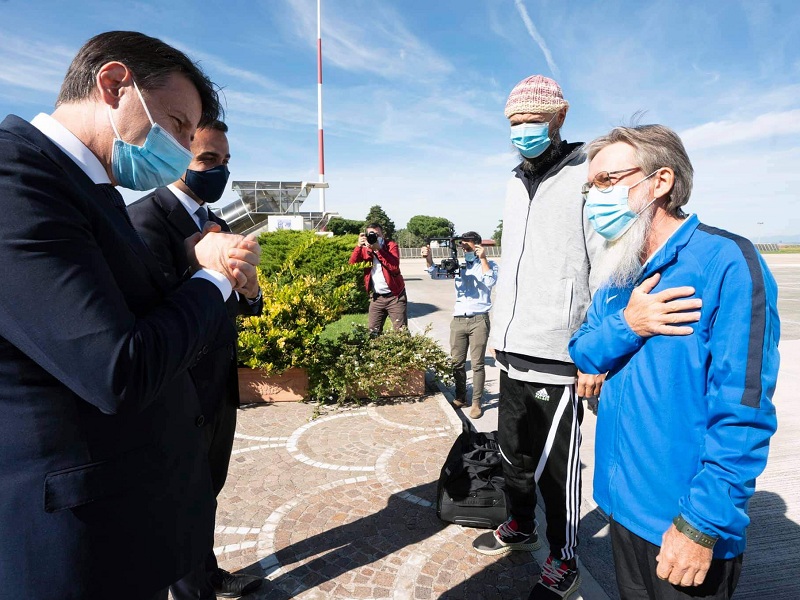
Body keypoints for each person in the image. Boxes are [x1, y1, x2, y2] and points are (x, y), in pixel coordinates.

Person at [0, 31, 261, 600]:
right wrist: (215, 275)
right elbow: (117, 368)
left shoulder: (92, 188)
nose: (178, 148)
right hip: (71, 538)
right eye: (174, 124)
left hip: (125, 514)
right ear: (115, 84)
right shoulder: (15, 176)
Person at [569, 124, 779, 599]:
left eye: (606, 181)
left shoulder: (725, 261)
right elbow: (582, 348)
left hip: (681, 524)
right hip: (620, 508)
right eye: (590, 186)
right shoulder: (618, 268)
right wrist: (630, 324)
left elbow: (743, 411)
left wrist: (700, 525)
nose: (593, 198)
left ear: (661, 181)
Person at [470, 75, 604, 600]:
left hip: (559, 350)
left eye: (531, 120)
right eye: (514, 123)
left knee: (556, 470)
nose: (522, 131)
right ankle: (520, 527)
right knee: (513, 457)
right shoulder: (512, 180)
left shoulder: (587, 176)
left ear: (559, 118)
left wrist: (592, 351)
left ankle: (564, 559)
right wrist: (501, 325)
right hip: (511, 346)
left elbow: (604, 266)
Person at [128, 120, 264, 599]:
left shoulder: (217, 221)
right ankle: (191, 590)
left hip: (217, 383)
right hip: (178, 390)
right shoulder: (144, 218)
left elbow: (239, 299)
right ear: (175, 156)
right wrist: (195, 267)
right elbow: (150, 312)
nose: (218, 171)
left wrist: (249, 289)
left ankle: (205, 573)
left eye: (224, 162)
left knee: (206, 490)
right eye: (208, 160)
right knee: (181, 499)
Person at [422, 232, 498, 419]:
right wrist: (429, 259)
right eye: (462, 247)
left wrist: (483, 259)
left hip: (479, 319)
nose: (465, 250)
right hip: (458, 320)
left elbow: (490, 281)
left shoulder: (490, 265)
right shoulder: (458, 265)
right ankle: (460, 397)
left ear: (478, 246)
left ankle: (476, 403)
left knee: (478, 364)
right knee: (457, 362)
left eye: (468, 247)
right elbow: (435, 274)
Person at [349, 223, 407, 334]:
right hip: (377, 298)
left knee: (401, 333)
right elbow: (352, 264)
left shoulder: (391, 245)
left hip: (395, 296)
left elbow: (394, 267)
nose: (373, 237)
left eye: (376, 234)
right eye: (370, 234)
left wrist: (378, 250)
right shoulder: (365, 248)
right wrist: (358, 246)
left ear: (382, 235)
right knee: (373, 332)